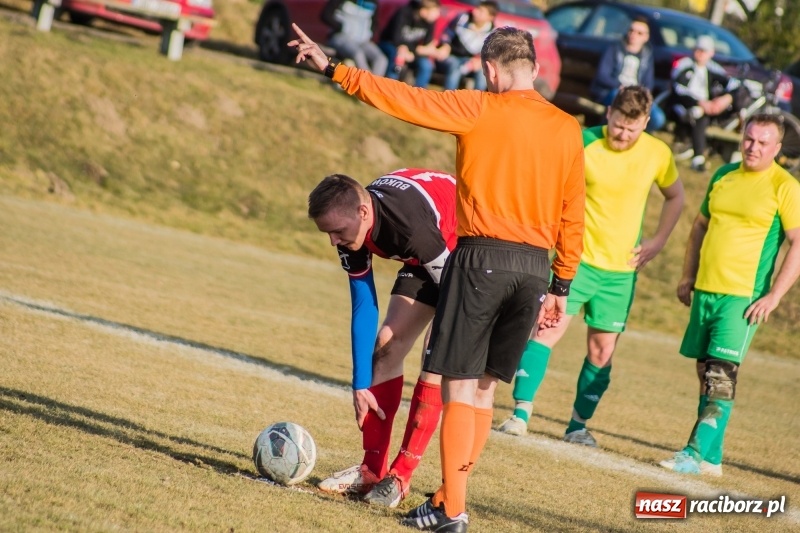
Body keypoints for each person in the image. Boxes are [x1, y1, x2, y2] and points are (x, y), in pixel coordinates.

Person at [290, 24, 585, 532]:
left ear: (490, 70)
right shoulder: (567, 128)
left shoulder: (478, 107)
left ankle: (439, 501)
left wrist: (337, 70)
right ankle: (418, 486)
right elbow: (573, 210)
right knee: (478, 387)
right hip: (535, 267)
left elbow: (404, 99)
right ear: (534, 70)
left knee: (451, 379)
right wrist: (562, 283)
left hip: (475, 256)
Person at [498, 86, 685, 445]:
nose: (622, 134)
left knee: (602, 350)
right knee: (545, 332)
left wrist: (658, 240)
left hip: (620, 273)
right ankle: (520, 414)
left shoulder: (658, 154)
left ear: (646, 123)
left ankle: (578, 426)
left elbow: (675, 195)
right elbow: (546, 186)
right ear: (609, 113)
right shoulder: (583, 142)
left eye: (632, 129)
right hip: (575, 262)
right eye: (617, 125)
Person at [660, 113, 800, 476]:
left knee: (720, 378)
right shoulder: (723, 175)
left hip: (743, 298)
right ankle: (712, 457)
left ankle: (692, 453)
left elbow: (798, 242)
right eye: (749, 139)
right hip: (706, 290)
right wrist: (688, 274)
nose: (753, 147)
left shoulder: (784, 186)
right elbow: (700, 225)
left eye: (762, 142)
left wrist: (774, 297)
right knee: (704, 374)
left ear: (777, 148)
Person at [310, 168, 457, 508]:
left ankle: (400, 477)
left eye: (337, 231)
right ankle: (372, 470)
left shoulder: (409, 227)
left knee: (435, 358)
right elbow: (363, 302)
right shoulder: (352, 228)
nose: (333, 241)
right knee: (387, 344)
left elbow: (456, 298)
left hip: (462, 248)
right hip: (430, 253)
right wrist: (360, 383)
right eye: (327, 233)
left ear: (363, 212)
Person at [670, 35, 740, 171]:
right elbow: (677, 89)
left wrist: (726, 99)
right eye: (699, 50)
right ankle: (698, 158)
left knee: (703, 115)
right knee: (699, 114)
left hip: (707, 109)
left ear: (711, 53)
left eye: (705, 51)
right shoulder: (684, 64)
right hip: (682, 106)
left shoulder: (714, 69)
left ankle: (699, 157)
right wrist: (699, 103)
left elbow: (734, 85)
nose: (701, 54)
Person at [589, 16, 665, 132]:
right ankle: (607, 132)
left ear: (646, 37)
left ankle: (634, 137)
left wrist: (638, 94)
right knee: (621, 103)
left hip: (636, 95)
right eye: (631, 30)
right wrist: (620, 86)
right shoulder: (615, 48)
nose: (633, 35)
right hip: (612, 91)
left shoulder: (647, 56)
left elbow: (648, 84)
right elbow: (602, 76)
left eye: (639, 33)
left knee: (658, 118)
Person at [435, 1, 498, 91]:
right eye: (477, 9)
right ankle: (448, 99)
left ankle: (478, 102)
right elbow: (446, 35)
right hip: (452, 56)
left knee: (483, 73)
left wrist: (480, 62)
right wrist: (446, 45)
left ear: (490, 17)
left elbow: (490, 55)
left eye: (481, 11)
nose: (475, 12)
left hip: (472, 61)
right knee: (455, 67)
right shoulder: (462, 19)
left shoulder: (492, 32)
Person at [378, 0, 441, 88]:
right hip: (390, 44)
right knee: (398, 58)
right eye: (435, 12)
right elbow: (395, 37)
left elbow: (426, 44)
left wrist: (432, 49)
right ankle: (388, 89)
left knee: (426, 65)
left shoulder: (429, 22)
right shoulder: (404, 13)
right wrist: (410, 50)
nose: (438, 15)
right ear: (423, 11)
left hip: (411, 51)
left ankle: (419, 95)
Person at [321, 0, 388, 76]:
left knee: (381, 59)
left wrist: (369, 33)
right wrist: (342, 27)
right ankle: (366, 83)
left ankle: (373, 85)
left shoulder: (373, 3)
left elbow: (375, 23)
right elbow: (325, 15)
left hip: (363, 40)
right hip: (341, 37)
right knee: (358, 54)